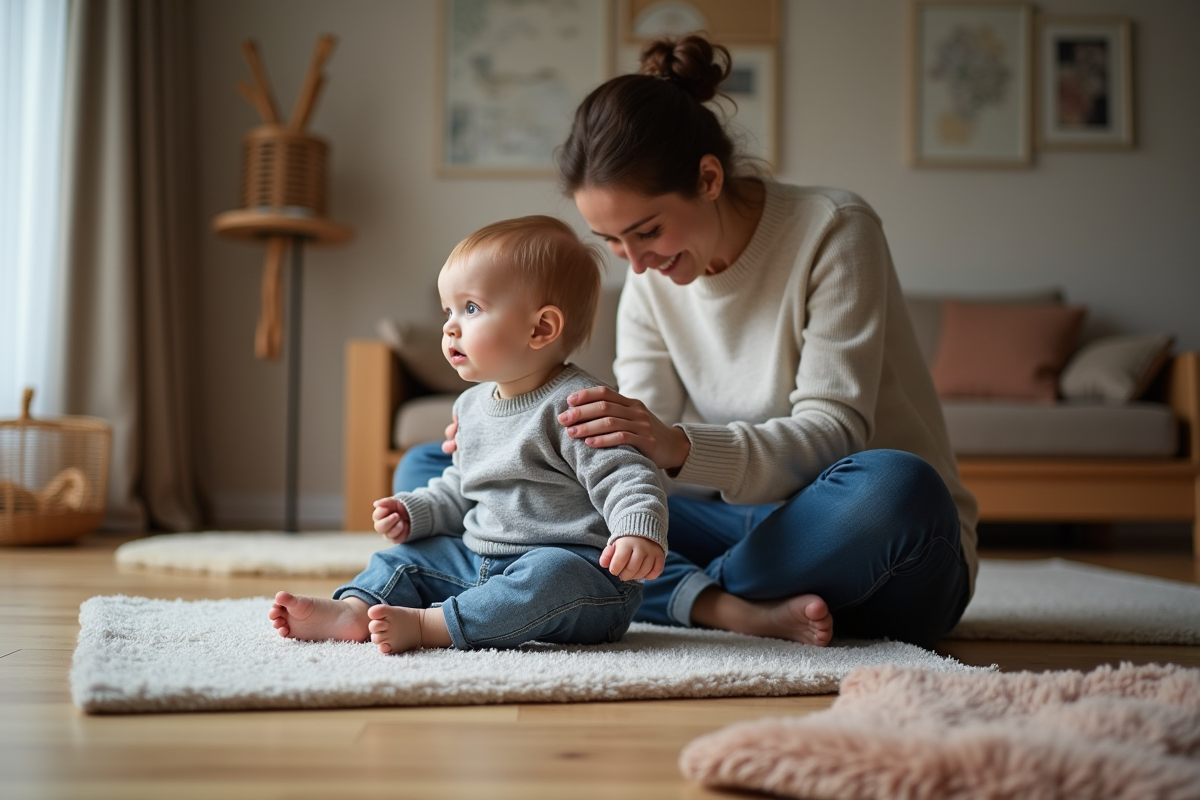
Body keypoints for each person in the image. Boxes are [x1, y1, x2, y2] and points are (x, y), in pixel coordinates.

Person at [397, 34, 979, 650]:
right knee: (431, 469)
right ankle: (712, 603)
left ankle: (671, 596)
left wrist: (674, 445)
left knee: (894, 488)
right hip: (730, 526)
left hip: (857, 534)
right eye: (613, 242)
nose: (637, 264)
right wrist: (503, 438)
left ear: (707, 178)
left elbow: (832, 435)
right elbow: (628, 459)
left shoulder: (833, 230)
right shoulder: (651, 275)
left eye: (646, 231)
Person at [270, 216, 669, 654]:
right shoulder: (470, 406)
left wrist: (636, 531)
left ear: (541, 328)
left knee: (550, 574)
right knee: (405, 559)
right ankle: (354, 609)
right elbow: (463, 485)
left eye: (471, 308)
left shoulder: (578, 405)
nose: (449, 327)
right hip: (480, 561)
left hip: (584, 579)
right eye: (448, 311)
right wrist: (416, 512)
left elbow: (628, 476)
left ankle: (431, 626)